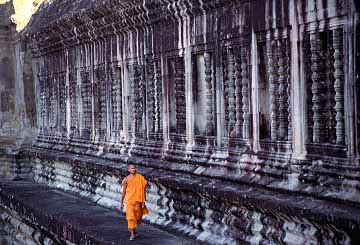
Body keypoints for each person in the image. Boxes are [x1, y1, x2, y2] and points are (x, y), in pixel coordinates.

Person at [120, 164, 149, 241]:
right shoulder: (126, 179)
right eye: (132, 168)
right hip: (129, 201)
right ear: (129, 170)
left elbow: (145, 185)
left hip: (138, 201)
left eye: (134, 168)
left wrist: (143, 199)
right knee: (130, 217)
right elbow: (123, 192)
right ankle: (132, 234)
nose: (134, 169)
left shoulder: (140, 177)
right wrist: (121, 203)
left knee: (138, 217)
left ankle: (134, 231)